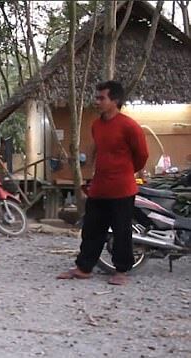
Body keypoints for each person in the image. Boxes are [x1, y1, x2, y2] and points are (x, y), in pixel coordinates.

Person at [58, 81, 148, 285]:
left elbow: (142, 155)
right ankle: (84, 267)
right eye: (97, 97)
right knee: (91, 229)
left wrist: (125, 171)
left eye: (101, 98)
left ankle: (122, 270)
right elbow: (97, 150)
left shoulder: (129, 126)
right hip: (99, 186)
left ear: (114, 100)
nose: (97, 101)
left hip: (122, 188)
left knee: (121, 231)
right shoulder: (97, 125)